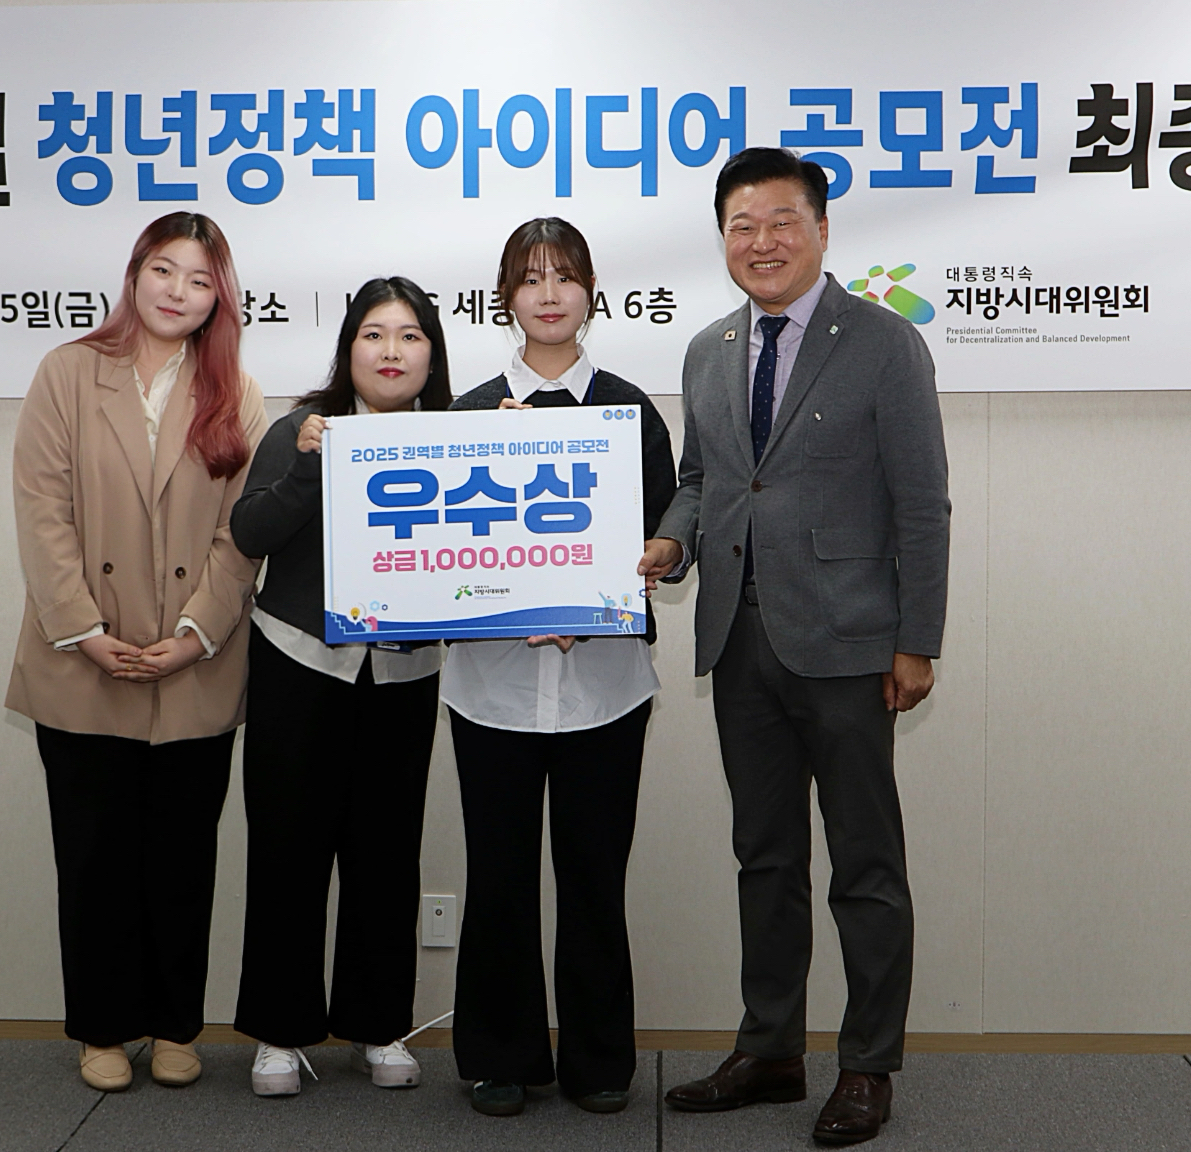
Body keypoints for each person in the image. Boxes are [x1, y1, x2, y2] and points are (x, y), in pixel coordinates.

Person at [641, 148, 949, 1147]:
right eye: (742, 225)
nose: (761, 241)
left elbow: (922, 502)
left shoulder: (884, 342)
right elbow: (702, 479)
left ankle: (867, 1065)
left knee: (864, 863)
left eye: (781, 222)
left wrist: (917, 639)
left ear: (821, 230)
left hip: (852, 645)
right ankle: (770, 1048)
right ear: (722, 239)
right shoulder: (707, 349)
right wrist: (673, 541)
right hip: (739, 640)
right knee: (763, 857)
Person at [5, 212, 268, 1094]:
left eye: (199, 280)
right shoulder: (67, 372)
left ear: (218, 298)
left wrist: (195, 634)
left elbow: (242, 535)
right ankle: (103, 1028)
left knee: (183, 859)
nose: (177, 292)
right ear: (134, 273)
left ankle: (174, 1024)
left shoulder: (238, 392)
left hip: (194, 664)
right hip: (82, 659)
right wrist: (82, 629)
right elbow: (42, 510)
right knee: (93, 859)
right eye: (164, 270)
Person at [445, 218, 676, 1118]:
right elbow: (442, 557)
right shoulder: (467, 416)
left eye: (566, 277)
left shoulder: (628, 410)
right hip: (492, 690)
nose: (549, 294)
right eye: (531, 278)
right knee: (498, 879)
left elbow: (663, 536)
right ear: (505, 295)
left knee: (593, 877)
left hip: (604, 689)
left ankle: (598, 1060)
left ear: (591, 292)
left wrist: (607, 595)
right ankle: (500, 1056)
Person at [228, 278, 454, 1097]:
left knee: (386, 851)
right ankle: (279, 1033)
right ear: (348, 348)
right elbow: (248, 532)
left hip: (402, 673)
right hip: (299, 663)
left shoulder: (457, 438)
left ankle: (378, 1024)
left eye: (410, 335)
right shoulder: (303, 428)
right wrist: (309, 468)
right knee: (286, 848)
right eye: (373, 334)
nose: (392, 351)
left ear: (432, 354)